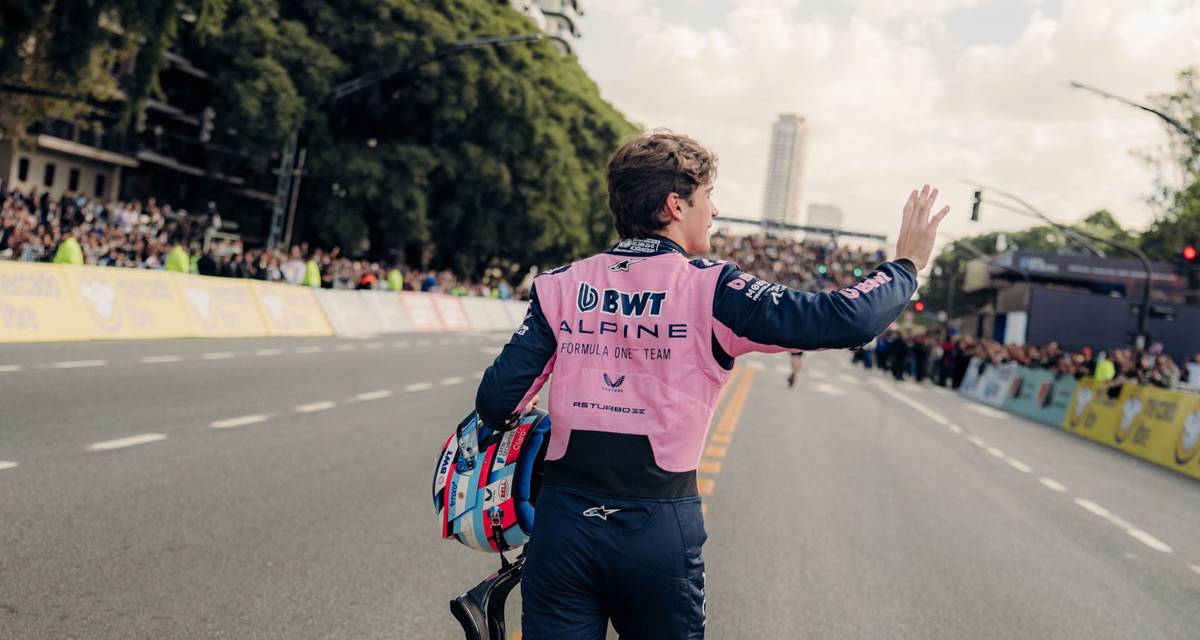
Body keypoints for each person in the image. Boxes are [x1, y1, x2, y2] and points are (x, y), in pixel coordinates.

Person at [473, 129, 947, 639]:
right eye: (708, 197)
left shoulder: (560, 284)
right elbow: (844, 320)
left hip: (564, 526)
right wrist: (906, 266)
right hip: (657, 531)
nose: (714, 211)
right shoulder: (711, 287)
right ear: (675, 205)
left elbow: (498, 401)